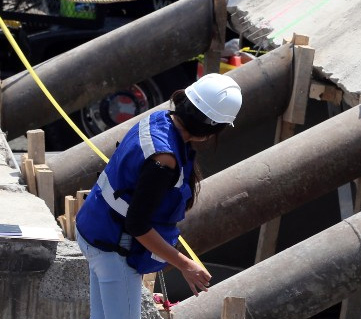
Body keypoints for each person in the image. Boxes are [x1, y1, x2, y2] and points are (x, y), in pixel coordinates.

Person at [75, 73, 241, 317]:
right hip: (114, 247)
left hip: (94, 228)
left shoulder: (159, 120)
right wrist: (186, 266)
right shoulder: (163, 160)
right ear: (211, 127)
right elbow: (137, 225)